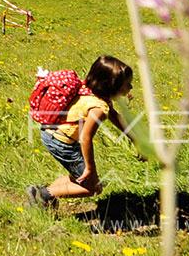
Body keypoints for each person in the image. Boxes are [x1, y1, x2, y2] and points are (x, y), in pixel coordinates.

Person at [29, 55, 133, 208]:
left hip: (54, 133)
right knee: (91, 187)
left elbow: (116, 117)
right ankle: (43, 195)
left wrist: (136, 140)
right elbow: (86, 137)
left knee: (79, 177)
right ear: (112, 86)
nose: (130, 88)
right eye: (127, 84)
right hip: (61, 141)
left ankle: (43, 196)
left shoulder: (90, 91)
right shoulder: (98, 108)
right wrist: (90, 168)